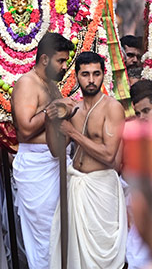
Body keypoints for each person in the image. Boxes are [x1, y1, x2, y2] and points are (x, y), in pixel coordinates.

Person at [49, 51, 127, 269]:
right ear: (76, 76)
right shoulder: (73, 108)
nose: (91, 80)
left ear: (104, 75)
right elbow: (56, 151)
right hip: (76, 185)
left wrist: (73, 134)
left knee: (101, 256)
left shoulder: (112, 108)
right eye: (85, 74)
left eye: (96, 74)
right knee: (74, 257)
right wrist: (52, 119)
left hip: (101, 187)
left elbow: (109, 155)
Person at [10, 32, 73, 269]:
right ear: (45, 59)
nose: (64, 66)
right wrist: (53, 108)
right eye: (61, 61)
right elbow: (25, 130)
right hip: (37, 167)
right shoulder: (28, 83)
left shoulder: (50, 85)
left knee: (60, 230)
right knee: (45, 233)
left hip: (55, 162)